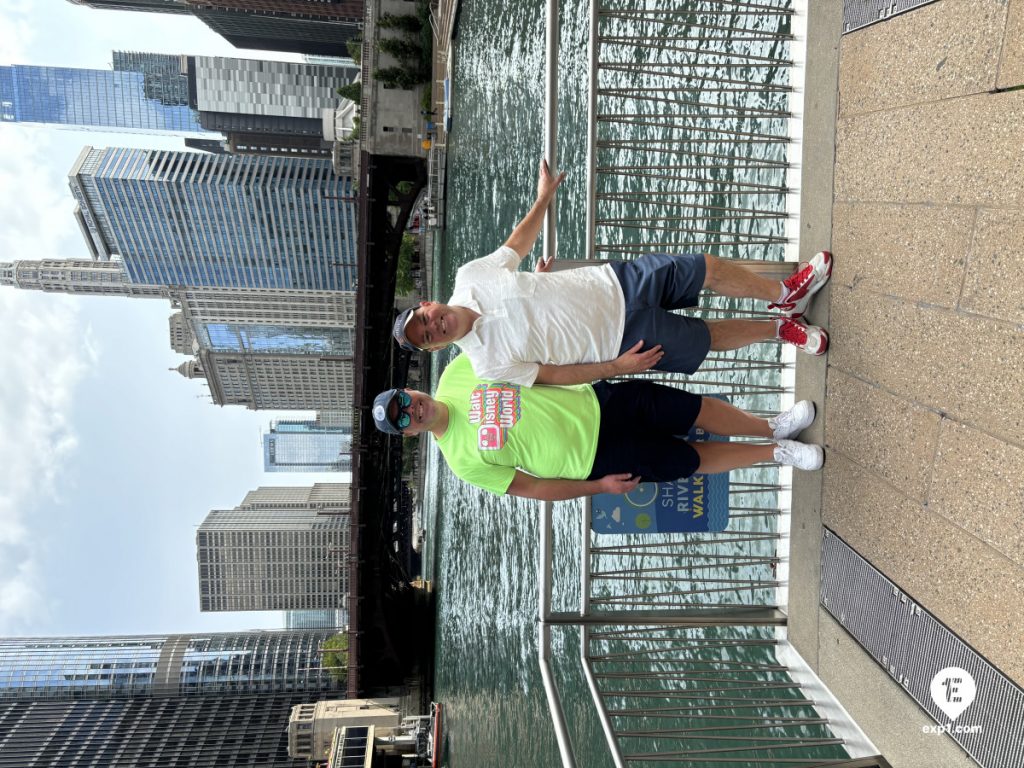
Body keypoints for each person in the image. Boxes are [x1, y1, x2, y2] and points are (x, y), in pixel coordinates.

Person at [392, 159, 832, 387]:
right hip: (619, 340)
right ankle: (781, 330)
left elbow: (516, 245)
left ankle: (784, 293)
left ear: (427, 305)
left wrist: (544, 196)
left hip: (612, 282)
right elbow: (554, 375)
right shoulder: (486, 364)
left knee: (705, 267)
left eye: (424, 319)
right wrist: (617, 367)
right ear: (435, 348)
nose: (433, 327)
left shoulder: (471, 276)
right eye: (427, 337)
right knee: (707, 337)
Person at [372, 354, 823, 501]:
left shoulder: (458, 370)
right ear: (410, 435)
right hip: (593, 459)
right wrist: (600, 487)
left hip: (597, 400)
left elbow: (538, 362)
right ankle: (777, 454)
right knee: (688, 459)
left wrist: (608, 366)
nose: (413, 410)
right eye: (404, 420)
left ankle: (774, 426)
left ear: (408, 389)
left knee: (689, 409)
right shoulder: (463, 462)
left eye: (404, 401)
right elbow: (532, 487)